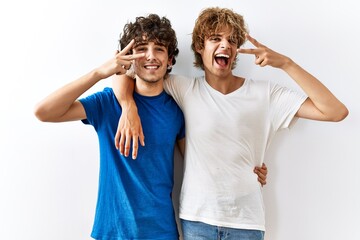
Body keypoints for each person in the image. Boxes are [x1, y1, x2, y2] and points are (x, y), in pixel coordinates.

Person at [113, 7, 348, 240]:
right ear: (199, 47)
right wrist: (127, 105)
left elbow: (335, 112)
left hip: (246, 221)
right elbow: (130, 71)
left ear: (236, 51)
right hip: (197, 220)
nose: (225, 45)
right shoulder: (185, 88)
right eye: (215, 38)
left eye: (232, 40)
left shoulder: (265, 94)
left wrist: (287, 64)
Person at [33, 13, 269, 239]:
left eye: (159, 49)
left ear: (170, 60)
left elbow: (202, 160)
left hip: (162, 231)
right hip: (113, 231)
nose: (150, 56)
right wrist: (99, 74)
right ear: (129, 58)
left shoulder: (178, 109)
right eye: (141, 49)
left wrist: (247, 169)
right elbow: (44, 112)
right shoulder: (108, 103)